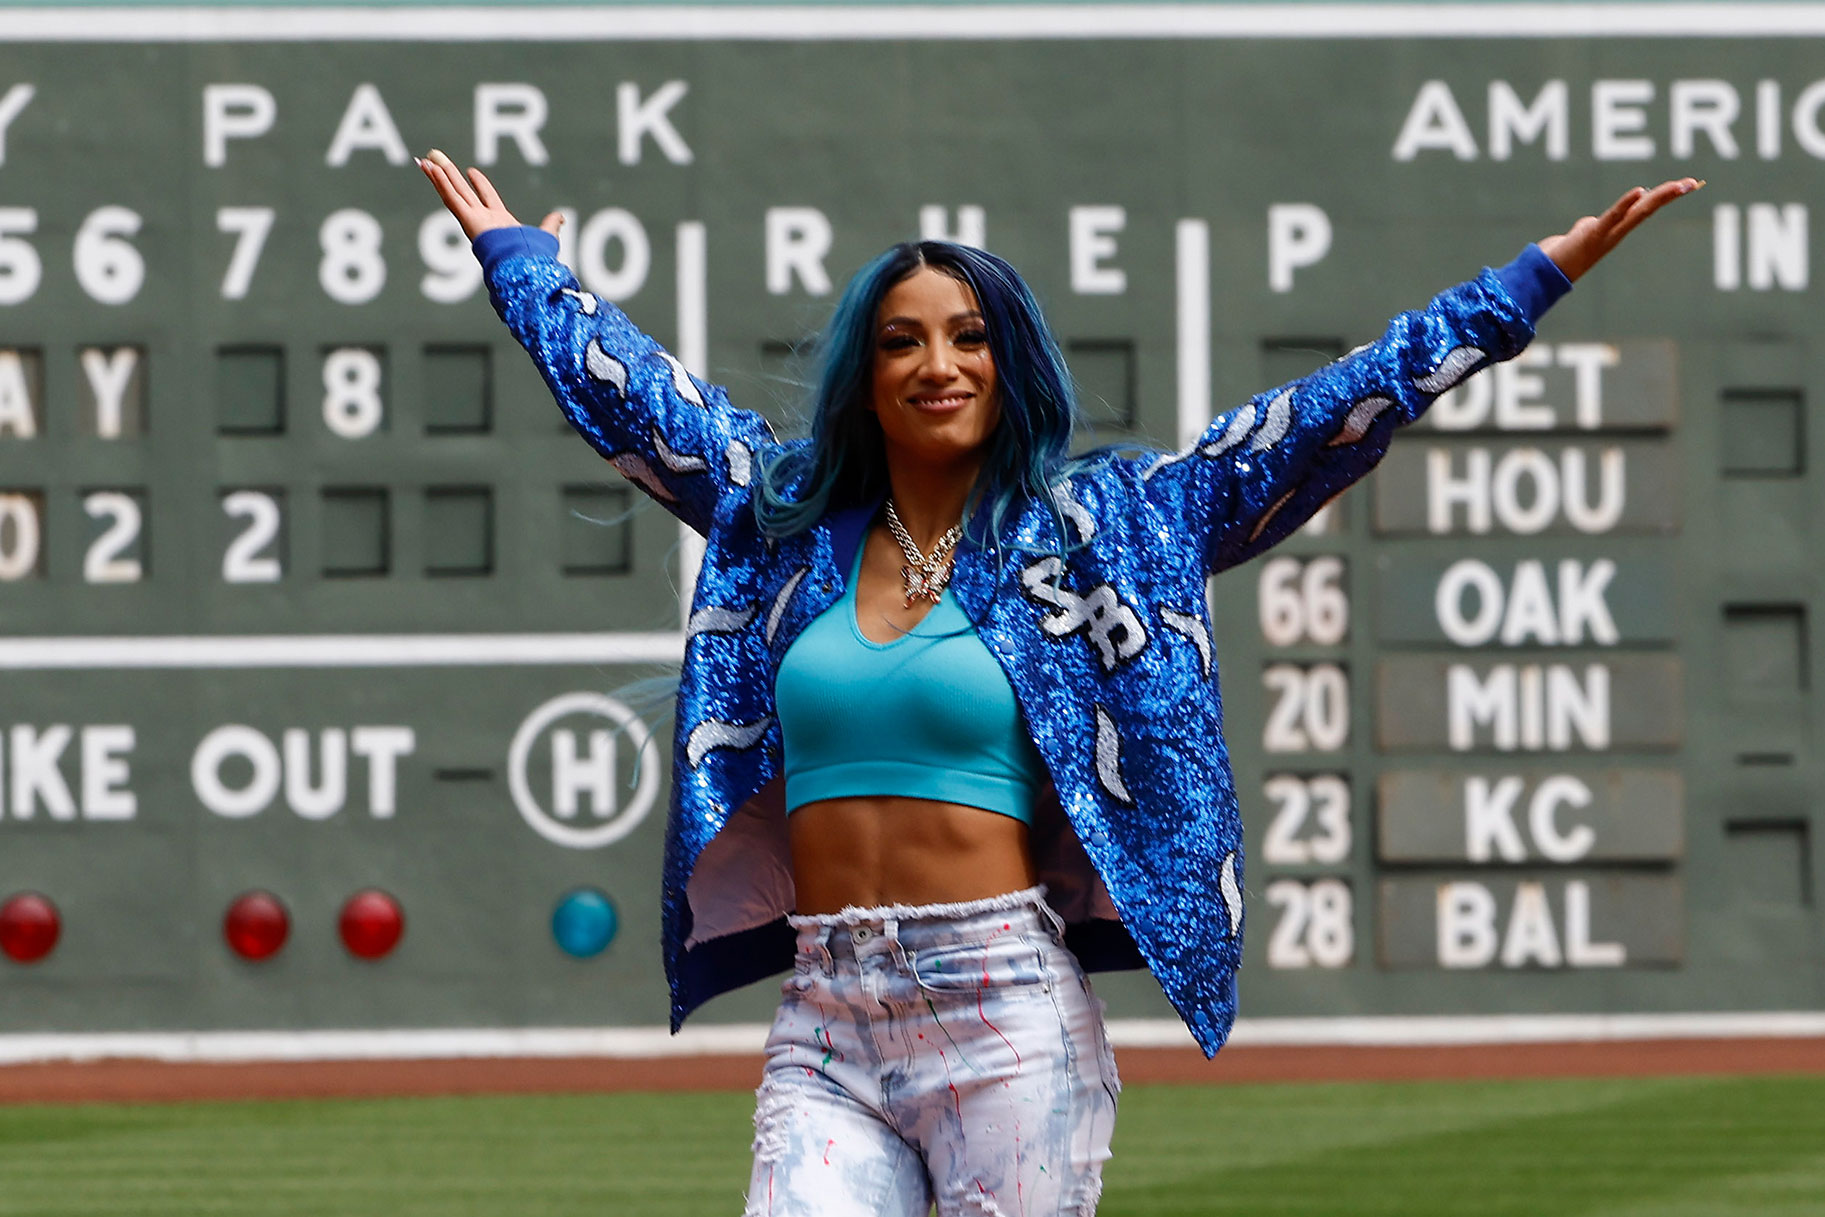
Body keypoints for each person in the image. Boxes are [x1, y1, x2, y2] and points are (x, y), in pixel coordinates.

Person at [420, 149, 1697, 1216]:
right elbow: (640, 402)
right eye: (903, 341)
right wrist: (524, 267)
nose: (939, 363)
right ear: (865, 374)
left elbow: (1322, 417)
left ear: (1007, 359)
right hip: (826, 1011)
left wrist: (1525, 284)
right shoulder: (784, 519)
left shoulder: (1111, 523)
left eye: (969, 337)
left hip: (1005, 1013)